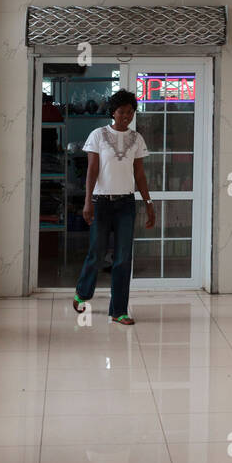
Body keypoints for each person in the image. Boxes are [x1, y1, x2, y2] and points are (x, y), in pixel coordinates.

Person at [73, 89, 154, 325]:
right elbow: (92, 171)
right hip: (101, 203)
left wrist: (149, 203)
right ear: (113, 112)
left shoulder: (137, 139)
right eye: (121, 111)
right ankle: (82, 292)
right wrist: (88, 201)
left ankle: (119, 310)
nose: (126, 116)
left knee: (122, 258)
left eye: (130, 112)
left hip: (126, 205)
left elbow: (139, 174)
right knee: (96, 254)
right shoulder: (98, 135)